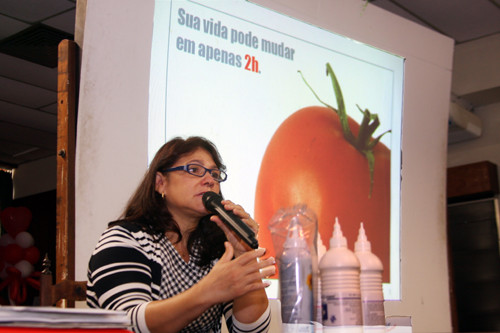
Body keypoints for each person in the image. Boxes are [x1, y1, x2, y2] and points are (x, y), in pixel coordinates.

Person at [87, 136, 275, 333]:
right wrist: (207, 292)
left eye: (215, 174)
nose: (210, 180)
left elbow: (251, 330)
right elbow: (128, 325)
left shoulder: (218, 248)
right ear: (161, 183)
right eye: (194, 170)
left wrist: (244, 252)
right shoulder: (125, 240)